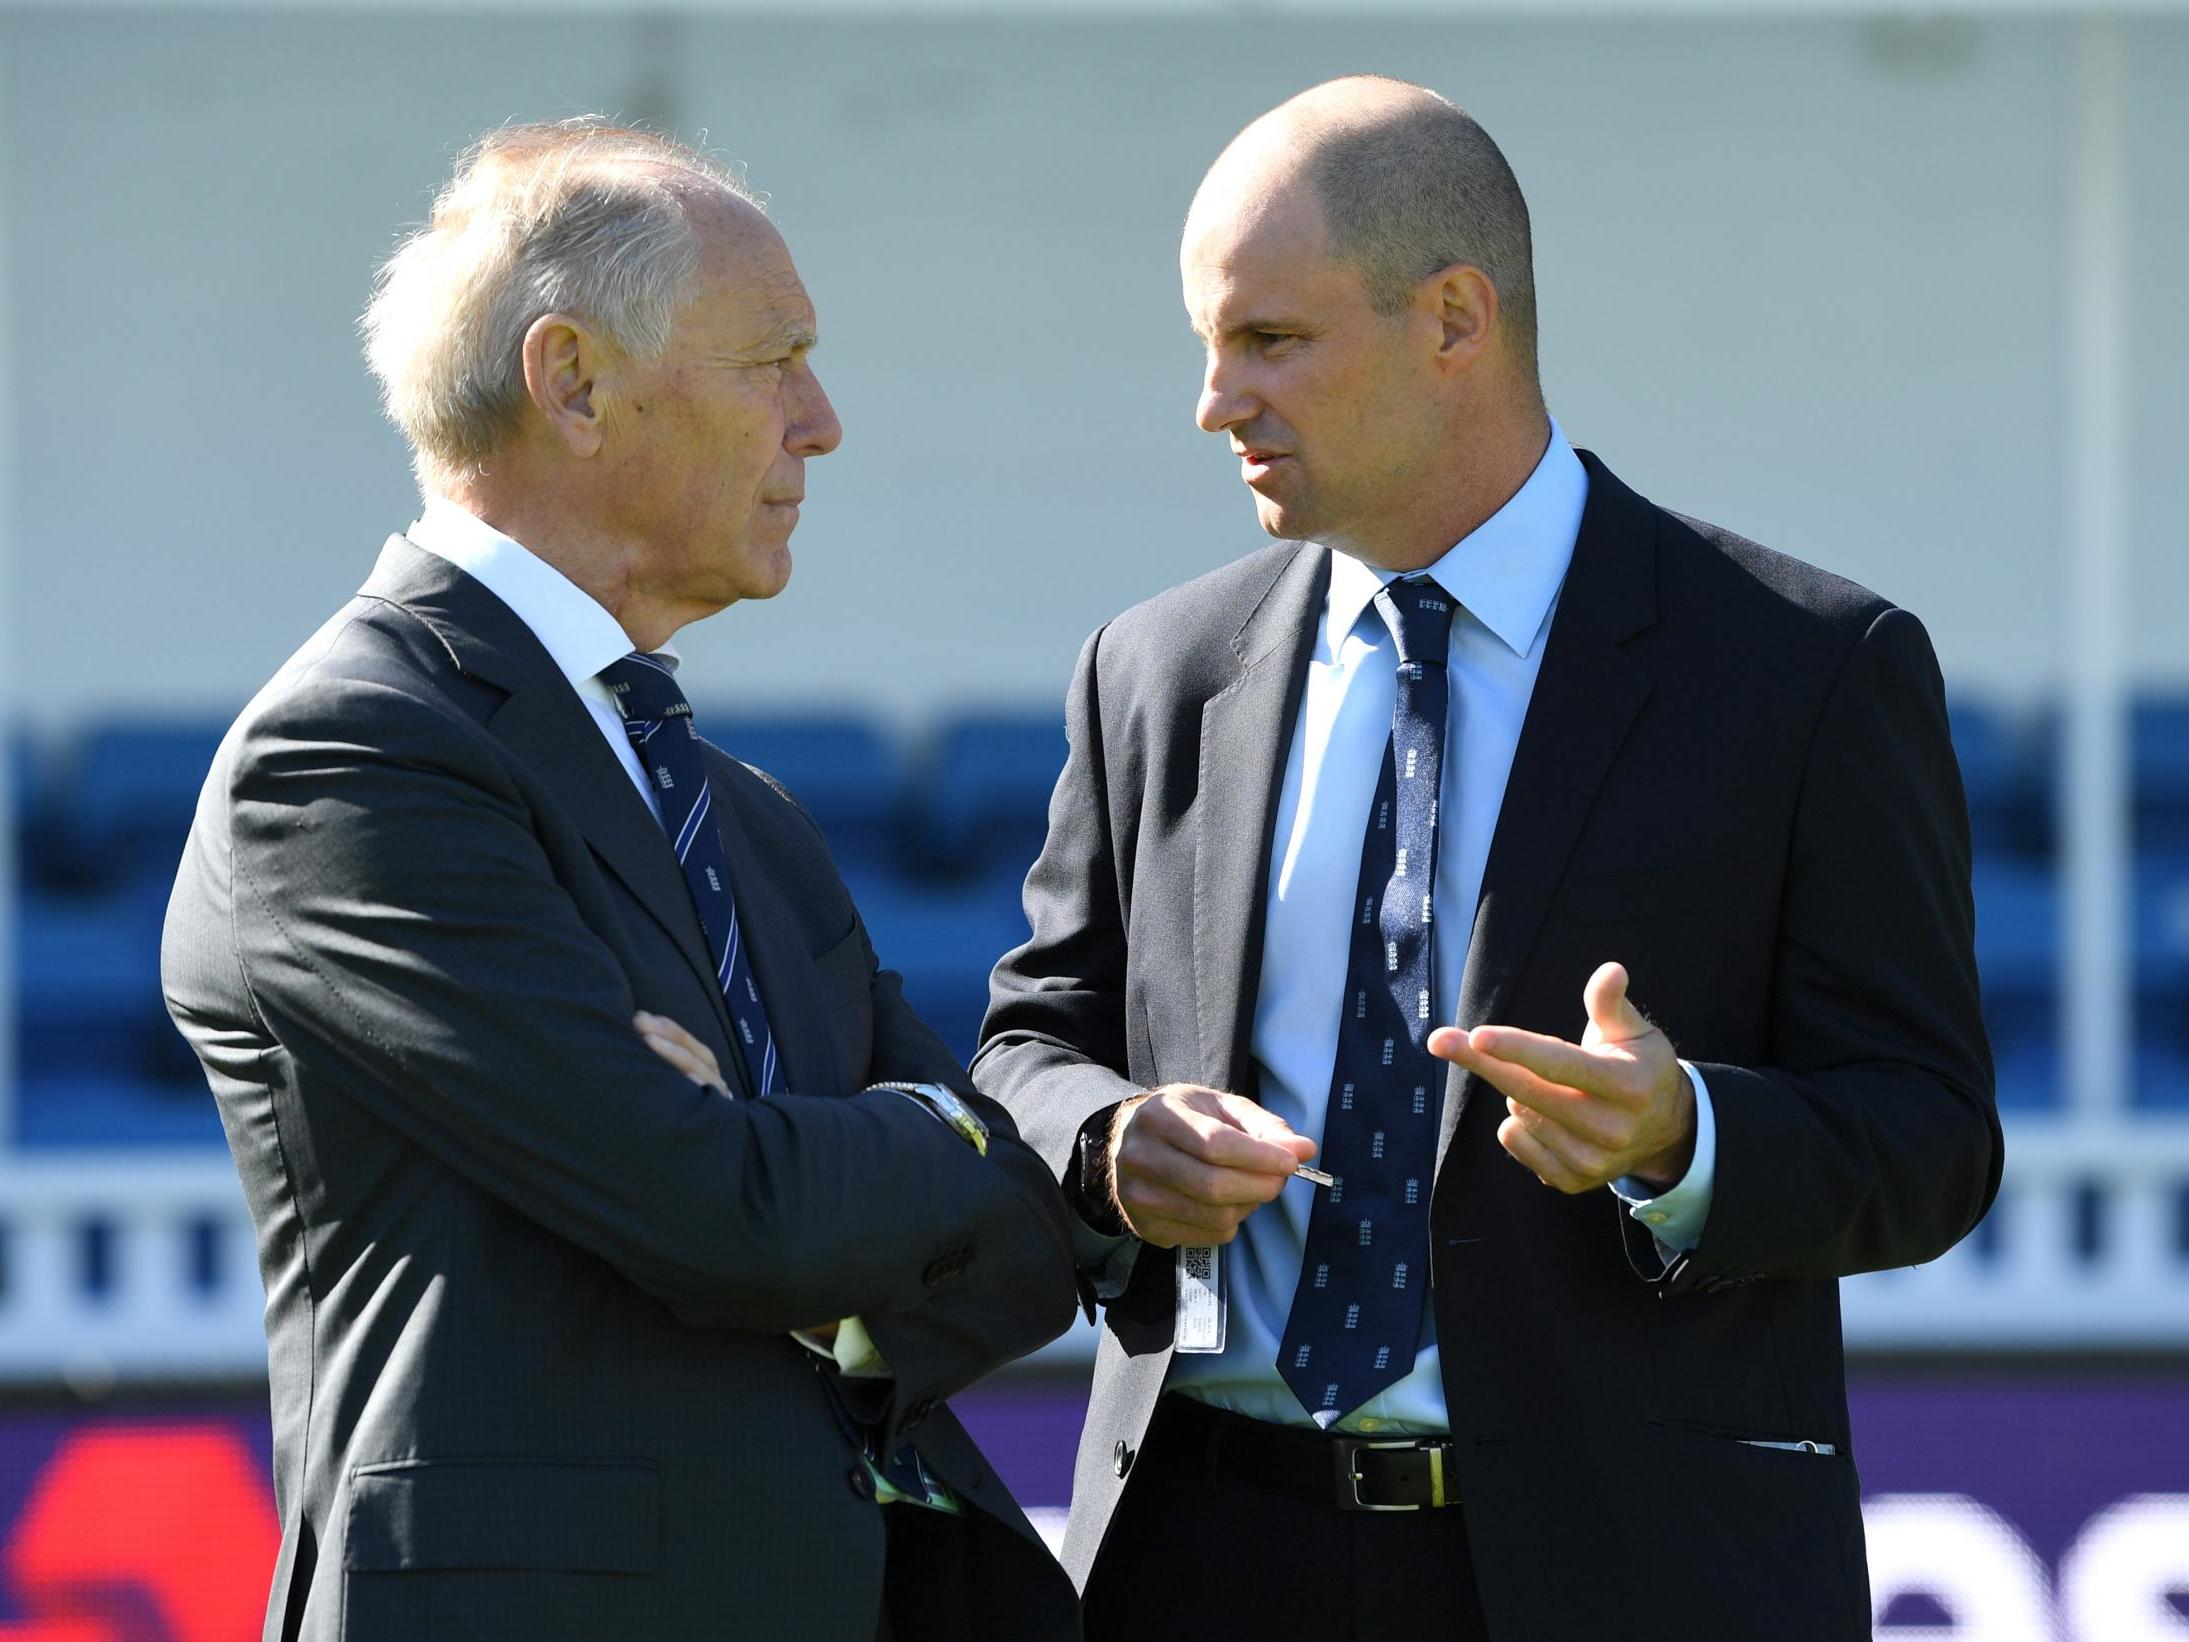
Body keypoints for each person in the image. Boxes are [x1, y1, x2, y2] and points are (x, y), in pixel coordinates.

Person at [975, 76, 1999, 1640]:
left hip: (1631, 1574)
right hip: (1198, 1554)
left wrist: (1681, 1132)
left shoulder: (1805, 667)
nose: (1213, 401)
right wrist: (1111, 1141)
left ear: (1453, 319)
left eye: (1267, 341)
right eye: (1207, 346)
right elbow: (1031, 1042)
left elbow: (1928, 1134)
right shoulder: (1152, 668)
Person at [162, 120, 1080, 1642]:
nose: (822, 420)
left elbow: (1023, 1240)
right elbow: (718, 1211)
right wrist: (918, 1136)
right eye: (769, 359)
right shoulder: (352, 753)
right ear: (572, 381)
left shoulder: (742, 813)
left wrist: (821, 1164)